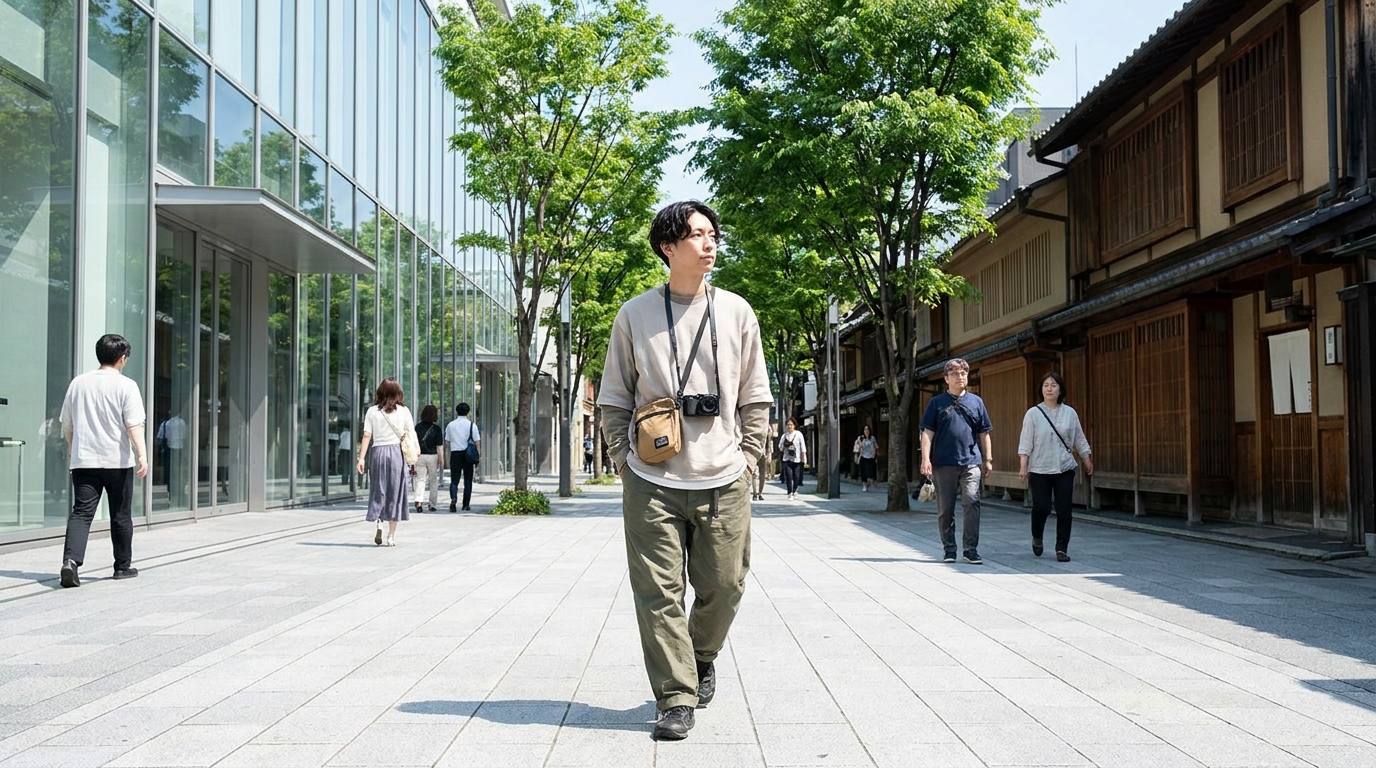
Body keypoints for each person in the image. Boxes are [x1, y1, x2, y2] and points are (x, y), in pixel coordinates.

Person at [598, 200, 772, 741]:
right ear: (668, 247)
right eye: (697, 234)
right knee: (657, 593)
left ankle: (700, 655)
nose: (710, 242)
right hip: (652, 481)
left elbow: (755, 397)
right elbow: (613, 399)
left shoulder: (738, 312)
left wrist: (749, 460)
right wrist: (623, 463)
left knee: (725, 584)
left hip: (724, 477)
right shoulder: (635, 314)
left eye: (712, 233)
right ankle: (675, 697)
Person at [58, 334, 149, 588]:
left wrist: (71, 450)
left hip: (84, 460)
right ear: (122, 358)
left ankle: (71, 562)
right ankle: (122, 567)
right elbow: (134, 424)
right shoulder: (126, 385)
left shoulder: (78, 383)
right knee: (120, 514)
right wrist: (142, 454)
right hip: (117, 462)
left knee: (81, 513)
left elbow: (68, 424)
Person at [919, 358, 993, 565]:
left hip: (971, 462)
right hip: (943, 463)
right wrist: (926, 459)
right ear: (946, 378)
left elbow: (984, 432)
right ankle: (949, 549)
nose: (960, 377)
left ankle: (971, 549)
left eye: (963, 373)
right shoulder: (936, 403)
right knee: (945, 509)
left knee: (972, 502)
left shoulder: (976, 402)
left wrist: (988, 459)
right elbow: (927, 433)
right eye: (955, 374)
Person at [1018, 372, 1093, 562]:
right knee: (1041, 507)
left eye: (1053, 385)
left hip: (1064, 468)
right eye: (1046, 385)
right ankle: (1037, 537)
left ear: (1060, 390)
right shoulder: (1033, 413)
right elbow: (1026, 441)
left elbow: (1079, 438)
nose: (1049, 389)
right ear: (1041, 390)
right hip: (1040, 468)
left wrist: (1086, 458)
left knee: (1064, 510)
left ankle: (1062, 548)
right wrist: (1023, 465)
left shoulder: (1070, 413)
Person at [356, 378, 414, 546]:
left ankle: (379, 520)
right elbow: (410, 433)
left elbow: (367, 435)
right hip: (396, 453)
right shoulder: (403, 411)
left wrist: (361, 458)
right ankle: (391, 536)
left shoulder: (372, 411)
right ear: (398, 392)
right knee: (395, 491)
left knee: (379, 488)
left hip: (378, 453)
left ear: (380, 391)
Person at [444, 402, 480, 512]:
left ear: (456, 412)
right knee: (468, 480)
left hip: (455, 454)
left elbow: (447, 442)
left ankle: (454, 499)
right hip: (468, 455)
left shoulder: (451, 425)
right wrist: (478, 456)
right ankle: (465, 504)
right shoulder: (472, 425)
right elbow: (477, 442)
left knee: (454, 480)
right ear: (468, 412)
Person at [413, 404, 444, 513]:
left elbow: (414, 443)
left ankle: (419, 501)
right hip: (432, 456)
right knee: (433, 481)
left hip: (420, 456)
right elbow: (439, 447)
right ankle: (432, 504)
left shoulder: (417, 427)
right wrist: (441, 460)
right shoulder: (436, 428)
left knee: (420, 479)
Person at [156, 410, 189, 508]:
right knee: (180, 474)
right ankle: (181, 494)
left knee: (169, 475)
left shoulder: (165, 424)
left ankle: (171, 496)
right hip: (180, 450)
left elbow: (159, 437)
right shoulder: (182, 422)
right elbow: (185, 436)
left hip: (169, 450)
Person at [778, 418, 807, 500]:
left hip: (797, 459)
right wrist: (785, 444)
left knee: (796, 476)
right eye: (788, 425)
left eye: (791, 425)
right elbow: (780, 448)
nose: (789, 426)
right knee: (788, 476)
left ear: (794, 425)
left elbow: (803, 447)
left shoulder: (799, 434)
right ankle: (790, 492)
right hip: (787, 459)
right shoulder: (784, 436)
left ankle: (795, 490)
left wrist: (803, 458)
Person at [752, 422, 775, 501]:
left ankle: (760, 493)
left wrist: (769, 454)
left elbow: (770, 442)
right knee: (754, 474)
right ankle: (755, 493)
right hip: (754, 453)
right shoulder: (754, 426)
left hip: (764, 453)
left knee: (763, 475)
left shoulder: (768, 429)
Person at [853, 424, 878, 492]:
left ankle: (868, 483)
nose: (866, 431)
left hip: (871, 457)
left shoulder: (872, 438)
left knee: (870, 472)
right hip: (863, 456)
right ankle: (864, 485)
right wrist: (859, 445)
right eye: (865, 429)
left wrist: (876, 456)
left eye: (867, 429)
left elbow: (876, 447)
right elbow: (856, 446)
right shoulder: (860, 438)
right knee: (863, 472)